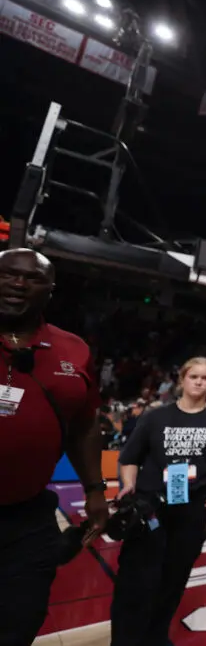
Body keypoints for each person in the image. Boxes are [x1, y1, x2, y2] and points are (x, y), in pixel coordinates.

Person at [0, 248, 107, 646]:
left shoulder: (73, 349)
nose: (17, 283)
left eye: (31, 278)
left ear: (50, 291)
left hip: (28, 516)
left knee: (21, 619)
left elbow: (84, 424)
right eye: (7, 274)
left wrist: (95, 490)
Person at [110, 356, 206, 646]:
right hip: (151, 506)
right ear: (182, 380)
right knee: (137, 575)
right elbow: (129, 458)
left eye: (205, 378)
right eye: (193, 376)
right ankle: (126, 639)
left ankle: (156, 635)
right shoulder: (155, 416)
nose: (199, 382)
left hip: (192, 509)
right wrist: (130, 485)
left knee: (174, 576)